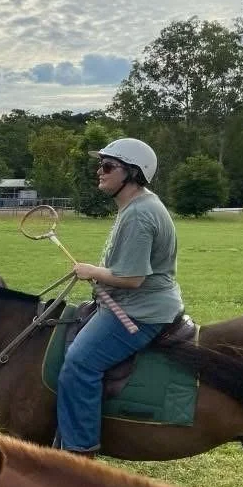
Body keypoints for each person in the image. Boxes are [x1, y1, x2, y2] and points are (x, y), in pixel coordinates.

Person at [55, 138, 183, 457]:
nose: (100, 171)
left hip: (140, 311)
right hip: (132, 304)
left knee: (79, 363)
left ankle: (79, 451)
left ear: (133, 174)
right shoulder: (136, 205)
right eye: (100, 165)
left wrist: (92, 272)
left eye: (108, 166)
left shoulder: (139, 214)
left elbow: (132, 279)